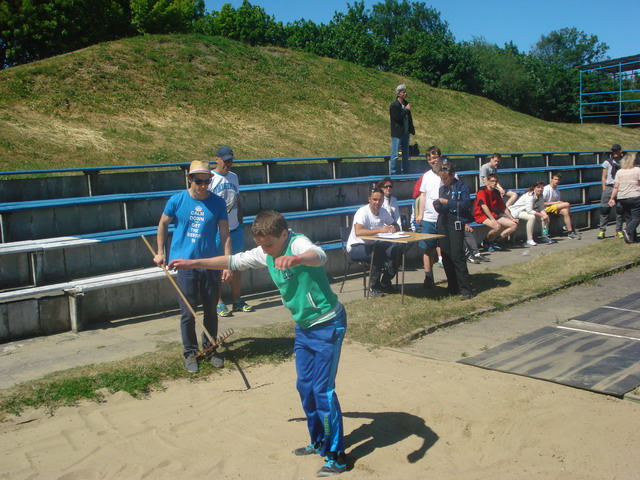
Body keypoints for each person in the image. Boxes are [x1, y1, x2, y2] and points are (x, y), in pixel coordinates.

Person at [169, 210, 348, 477]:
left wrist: (296, 258)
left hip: (327, 324)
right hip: (303, 328)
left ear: (284, 235)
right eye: (262, 245)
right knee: (305, 387)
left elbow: (319, 256)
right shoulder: (266, 252)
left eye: (270, 245)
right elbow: (233, 260)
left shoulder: (298, 243)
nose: (266, 251)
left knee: (322, 391)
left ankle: (337, 456)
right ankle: (319, 441)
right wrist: (194, 263)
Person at [154, 160, 231, 373]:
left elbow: (225, 234)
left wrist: (227, 262)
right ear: (190, 179)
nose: (203, 185)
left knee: (210, 311)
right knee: (188, 313)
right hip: (185, 265)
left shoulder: (217, 203)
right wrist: (161, 252)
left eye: (207, 181)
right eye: (199, 181)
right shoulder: (177, 200)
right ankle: (190, 352)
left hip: (210, 263)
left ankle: (210, 348)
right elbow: (162, 224)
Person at [208, 146, 255, 317]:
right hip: (216, 232)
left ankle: (237, 300)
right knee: (218, 266)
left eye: (231, 160)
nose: (228, 164)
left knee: (236, 265)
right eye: (225, 160)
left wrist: (240, 222)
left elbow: (238, 200)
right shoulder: (210, 179)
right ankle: (219, 302)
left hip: (235, 228)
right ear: (217, 159)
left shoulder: (234, 177)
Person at [347, 188, 401, 297]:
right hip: (356, 246)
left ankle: (385, 283)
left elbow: (396, 225)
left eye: (380, 200)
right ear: (369, 199)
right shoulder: (362, 212)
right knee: (378, 254)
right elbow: (358, 232)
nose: (377, 202)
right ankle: (373, 287)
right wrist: (381, 230)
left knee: (397, 250)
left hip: (375, 245)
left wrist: (394, 228)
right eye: (375, 199)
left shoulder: (384, 211)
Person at [433, 164, 474, 300]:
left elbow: (465, 204)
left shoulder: (462, 186)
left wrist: (448, 202)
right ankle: (452, 286)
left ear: (452, 175)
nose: (443, 181)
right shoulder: (442, 188)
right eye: (441, 179)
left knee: (457, 256)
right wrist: (438, 205)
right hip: (444, 221)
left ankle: (465, 289)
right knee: (446, 255)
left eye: (445, 178)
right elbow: (442, 206)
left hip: (456, 222)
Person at [416, 146, 447, 290]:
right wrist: (420, 214)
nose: (432, 161)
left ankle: (450, 275)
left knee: (446, 248)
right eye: (429, 158)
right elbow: (423, 196)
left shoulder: (448, 172)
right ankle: (428, 277)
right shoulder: (426, 176)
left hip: (444, 217)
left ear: (440, 158)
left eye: (434, 157)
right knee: (428, 249)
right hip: (428, 218)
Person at [473, 173, 519, 251]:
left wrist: (512, 218)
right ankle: (486, 242)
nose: (494, 183)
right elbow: (483, 206)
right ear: (487, 181)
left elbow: (503, 207)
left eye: (495, 181)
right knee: (497, 227)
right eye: (492, 181)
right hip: (481, 215)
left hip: (493, 214)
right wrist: (493, 220)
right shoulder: (482, 191)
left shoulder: (496, 192)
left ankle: (495, 242)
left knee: (513, 225)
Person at [608, 152, 640, 244]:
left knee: (629, 217)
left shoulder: (619, 172)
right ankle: (628, 230)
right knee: (637, 217)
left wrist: (612, 198)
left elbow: (616, 187)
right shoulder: (637, 170)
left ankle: (632, 238)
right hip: (635, 196)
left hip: (622, 198)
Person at [510, 181, 555, 246]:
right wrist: (541, 214)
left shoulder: (541, 196)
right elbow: (529, 210)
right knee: (532, 217)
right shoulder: (530, 195)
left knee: (544, 218)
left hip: (527, 211)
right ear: (534, 188)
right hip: (517, 211)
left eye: (542, 188)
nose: (540, 189)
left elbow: (541, 208)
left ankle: (544, 236)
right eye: (538, 187)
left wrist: (545, 215)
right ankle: (529, 239)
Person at [542, 172, 581, 239]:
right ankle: (571, 225)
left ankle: (570, 232)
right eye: (555, 179)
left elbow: (557, 203)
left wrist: (559, 203)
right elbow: (541, 203)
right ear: (551, 179)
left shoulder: (557, 191)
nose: (557, 181)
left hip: (553, 208)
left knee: (565, 211)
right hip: (545, 208)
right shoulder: (546, 189)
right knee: (567, 204)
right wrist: (554, 203)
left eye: (558, 180)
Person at [597, 144, 625, 239]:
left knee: (620, 210)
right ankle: (602, 230)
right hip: (609, 186)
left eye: (616, 151)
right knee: (605, 209)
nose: (615, 153)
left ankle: (619, 230)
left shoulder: (624, 162)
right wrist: (604, 188)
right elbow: (603, 176)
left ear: (620, 151)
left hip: (620, 187)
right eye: (613, 151)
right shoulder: (607, 162)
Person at [389, 84, 415, 175]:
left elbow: (409, 119)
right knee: (395, 154)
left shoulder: (406, 104)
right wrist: (406, 110)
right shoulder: (394, 105)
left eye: (405, 92)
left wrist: (411, 129)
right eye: (403, 92)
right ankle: (393, 173)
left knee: (405, 155)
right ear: (398, 93)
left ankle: (405, 172)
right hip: (397, 134)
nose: (405, 93)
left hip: (406, 133)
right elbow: (398, 118)